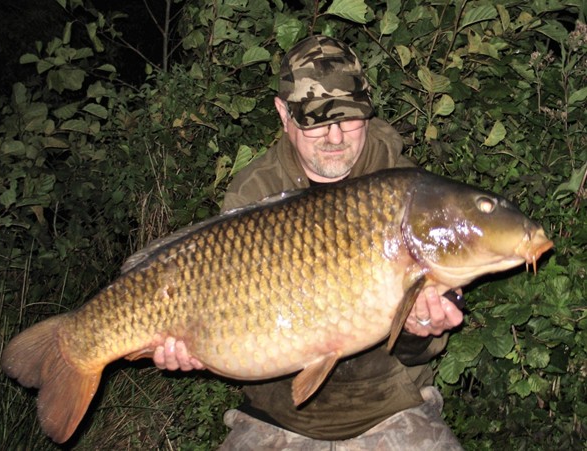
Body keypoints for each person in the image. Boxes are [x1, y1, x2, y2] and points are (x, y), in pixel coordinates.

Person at [154, 35, 464, 449]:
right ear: (284, 114)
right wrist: (196, 346)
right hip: (278, 413)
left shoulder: (406, 193)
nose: (335, 137)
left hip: (389, 406)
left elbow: (420, 351)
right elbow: (231, 335)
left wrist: (421, 330)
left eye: (348, 119)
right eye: (316, 121)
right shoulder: (255, 190)